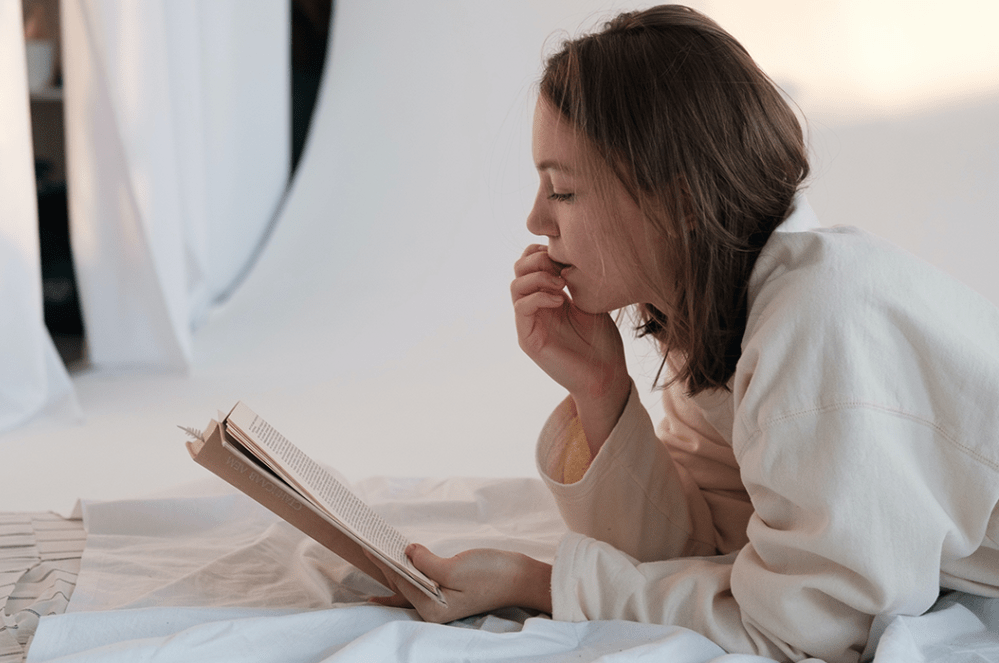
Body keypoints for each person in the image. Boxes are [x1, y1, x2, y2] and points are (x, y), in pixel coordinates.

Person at [365, 5, 999, 662]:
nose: (535, 220)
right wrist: (602, 388)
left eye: (562, 190)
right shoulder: (729, 317)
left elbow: (806, 628)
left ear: (674, 201)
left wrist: (539, 584)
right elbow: (709, 545)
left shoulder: (817, 327)